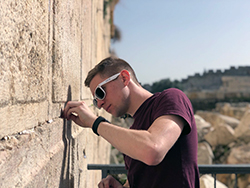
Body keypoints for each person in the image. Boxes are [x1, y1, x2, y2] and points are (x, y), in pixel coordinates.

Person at [62, 56, 200, 188]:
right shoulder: (134, 132)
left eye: (100, 93)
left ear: (124, 78)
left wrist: (95, 123)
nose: (99, 104)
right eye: (95, 100)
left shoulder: (172, 98)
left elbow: (153, 150)